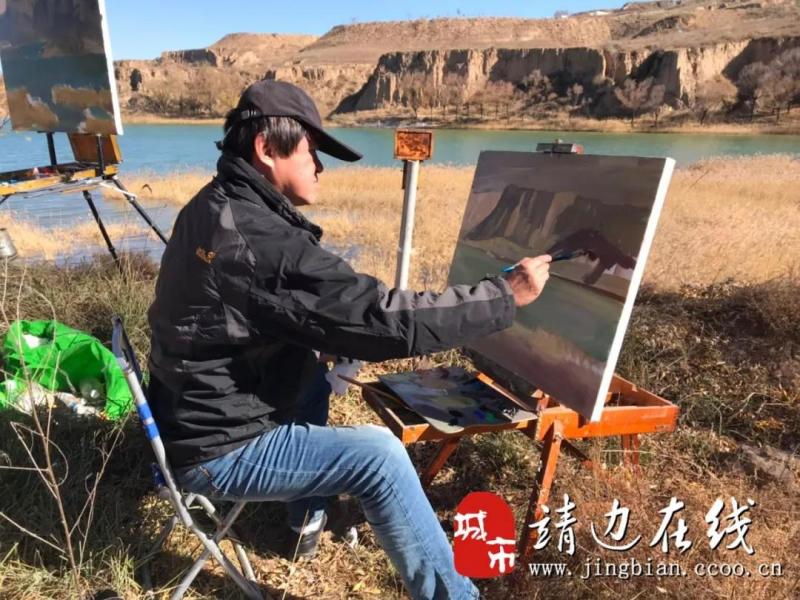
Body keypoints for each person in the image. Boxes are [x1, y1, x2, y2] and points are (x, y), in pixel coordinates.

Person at [146, 79, 551, 600]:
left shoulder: (214, 205)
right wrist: (502, 296)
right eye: (311, 151)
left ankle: (304, 521)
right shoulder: (259, 240)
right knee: (379, 458)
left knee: (313, 380)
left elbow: (255, 313)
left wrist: (328, 339)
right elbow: (383, 319)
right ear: (266, 148)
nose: (320, 166)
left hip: (189, 413)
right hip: (215, 447)